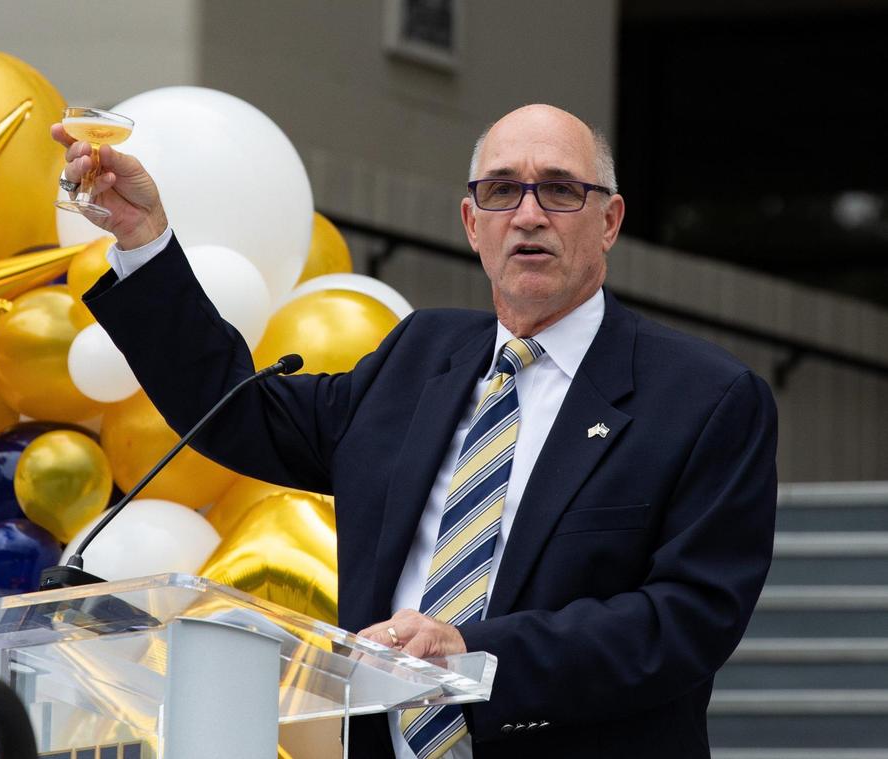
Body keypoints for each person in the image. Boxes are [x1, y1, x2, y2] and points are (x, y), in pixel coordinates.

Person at [54, 104, 778, 759]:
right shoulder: (420, 356)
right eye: (501, 190)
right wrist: (143, 239)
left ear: (610, 221)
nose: (528, 214)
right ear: (472, 224)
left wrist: (473, 653)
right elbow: (238, 411)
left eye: (560, 190)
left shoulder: (704, 398)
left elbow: (687, 619)